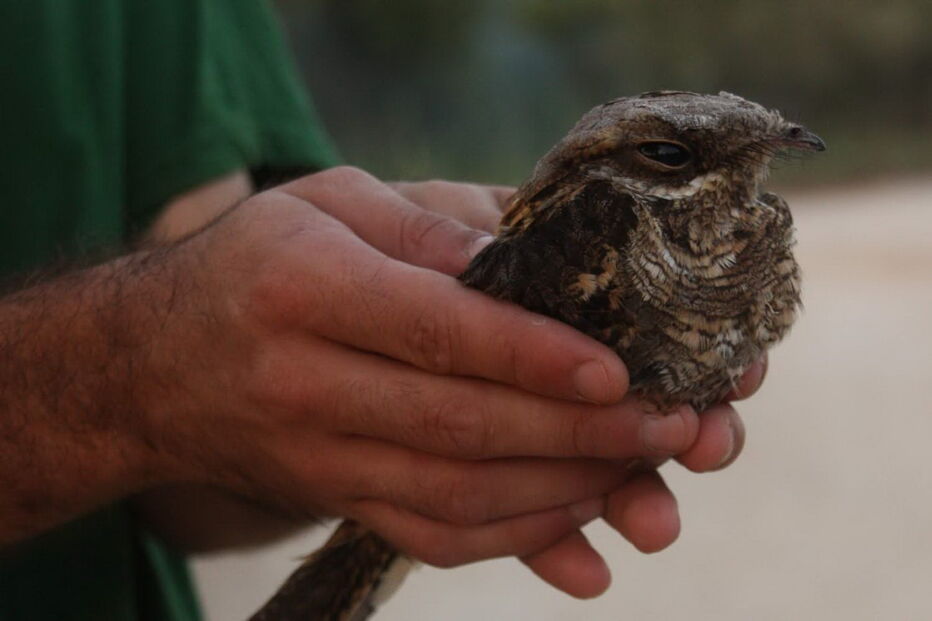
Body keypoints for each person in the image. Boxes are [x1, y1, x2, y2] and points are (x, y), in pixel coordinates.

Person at [0, 1, 762, 619]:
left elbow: (192, 485)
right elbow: (143, 380)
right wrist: (116, 375)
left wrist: (349, 422)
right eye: (680, 156)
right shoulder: (599, 219)